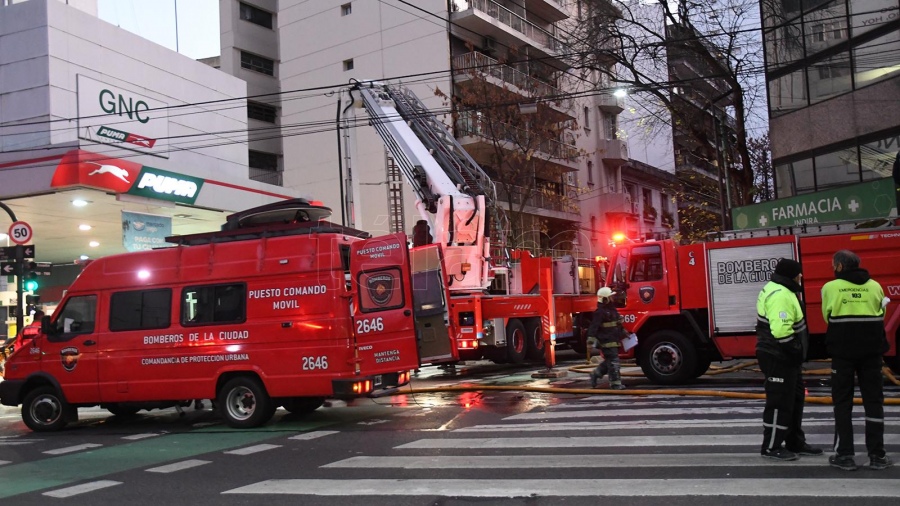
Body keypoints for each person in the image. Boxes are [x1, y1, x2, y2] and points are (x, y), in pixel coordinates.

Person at [822, 250, 892, 471]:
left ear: (840, 267)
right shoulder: (875, 286)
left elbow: (827, 316)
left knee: (843, 403)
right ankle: (877, 455)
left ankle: (845, 455)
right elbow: (881, 313)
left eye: (834, 265)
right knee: (874, 403)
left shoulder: (830, 288)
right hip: (872, 354)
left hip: (843, 354)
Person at [756, 258, 822, 461]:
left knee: (794, 399)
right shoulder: (780, 295)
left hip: (784, 357)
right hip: (779, 357)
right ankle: (771, 447)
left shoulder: (782, 290)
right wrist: (795, 351)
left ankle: (794, 441)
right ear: (792, 275)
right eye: (799, 274)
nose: (801, 277)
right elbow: (781, 331)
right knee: (779, 402)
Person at [586, 287, 626, 390]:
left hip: (614, 340)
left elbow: (616, 324)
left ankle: (595, 374)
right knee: (613, 362)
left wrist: (623, 332)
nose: (613, 299)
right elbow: (594, 327)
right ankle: (615, 384)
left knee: (610, 361)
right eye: (610, 297)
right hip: (606, 341)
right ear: (605, 299)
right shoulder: (600, 312)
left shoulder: (612, 310)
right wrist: (590, 341)